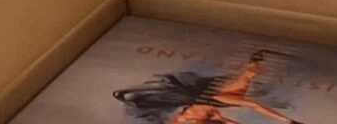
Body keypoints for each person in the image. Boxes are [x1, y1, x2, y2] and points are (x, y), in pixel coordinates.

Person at [113, 49, 306, 123]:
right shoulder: (212, 116)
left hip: (213, 97)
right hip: (215, 104)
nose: (186, 116)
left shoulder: (209, 104)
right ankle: (252, 63)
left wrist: (289, 122)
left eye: (187, 115)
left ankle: (253, 61)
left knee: (247, 78)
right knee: (247, 79)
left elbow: (255, 106)